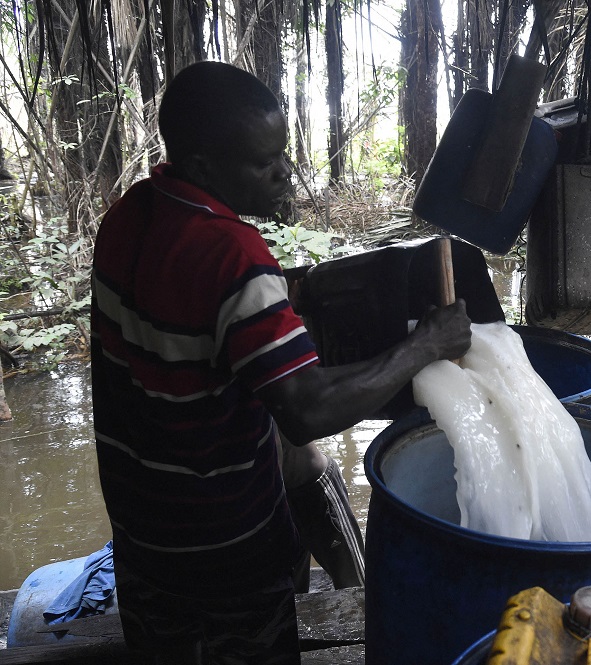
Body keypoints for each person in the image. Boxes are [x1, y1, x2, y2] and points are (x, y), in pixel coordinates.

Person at [90, 61, 472, 663]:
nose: (284, 173)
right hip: (227, 539)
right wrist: (424, 346)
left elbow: (177, 338)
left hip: (142, 530)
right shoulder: (233, 257)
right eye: (264, 164)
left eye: (283, 154)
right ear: (203, 169)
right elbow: (305, 410)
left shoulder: (126, 216)